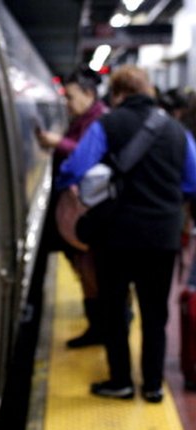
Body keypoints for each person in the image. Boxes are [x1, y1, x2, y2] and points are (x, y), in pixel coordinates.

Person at [56, 65, 196, 403]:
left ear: (117, 95)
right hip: (162, 237)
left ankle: (120, 381)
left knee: (115, 310)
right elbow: (192, 181)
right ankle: (152, 385)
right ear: (147, 90)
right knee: (154, 314)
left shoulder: (107, 125)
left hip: (115, 237)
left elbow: (73, 168)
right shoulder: (177, 132)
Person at [36, 65, 108, 348]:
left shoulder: (97, 121)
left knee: (93, 274)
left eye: (71, 96)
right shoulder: (83, 119)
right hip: (77, 210)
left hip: (87, 211)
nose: (66, 103)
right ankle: (98, 326)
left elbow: (84, 157)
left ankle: (102, 328)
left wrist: (58, 143)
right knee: (87, 273)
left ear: (89, 93)